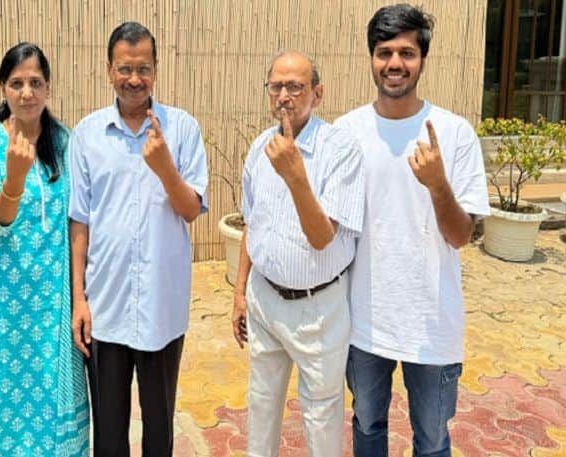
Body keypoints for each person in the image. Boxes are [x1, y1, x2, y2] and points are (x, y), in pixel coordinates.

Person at [334, 4, 490, 456]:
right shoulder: (347, 132)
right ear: (371, 58)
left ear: (423, 59)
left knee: (432, 439)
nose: (395, 64)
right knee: (366, 428)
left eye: (407, 52)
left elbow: (461, 236)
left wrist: (439, 184)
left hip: (432, 322)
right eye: (385, 52)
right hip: (364, 321)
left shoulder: (454, 133)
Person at [68, 21, 208, 457]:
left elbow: (190, 210)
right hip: (105, 307)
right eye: (125, 68)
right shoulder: (88, 134)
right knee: (108, 430)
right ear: (109, 70)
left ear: (156, 69)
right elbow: (79, 223)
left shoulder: (182, 129)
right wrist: (79, 299)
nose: (134, 79)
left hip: (161, 308)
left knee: (159, 426)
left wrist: (165, 166)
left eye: (143, 68)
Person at [231, 51, 365, 457]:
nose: (284, 96)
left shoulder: (341, 150)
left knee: (321, 415)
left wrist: (295, 176)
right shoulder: (259, 148)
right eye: (277, 86)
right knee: (261, 401)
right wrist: (239, 292)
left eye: (296, 87)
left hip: (317, 309)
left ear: (317, 94)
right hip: (264, 298)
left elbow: (323, 237)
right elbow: (251, 224)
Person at [0, 42, 89, 457]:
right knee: (2, 400)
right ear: (3, 88)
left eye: (35, 82)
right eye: (17, 83)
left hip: (53, 303)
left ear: (48, 88)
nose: (26, 92)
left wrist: (79, 295)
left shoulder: (66, 142)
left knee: (55, 403)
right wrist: (14, 181)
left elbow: (78, 220)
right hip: (2, 301)